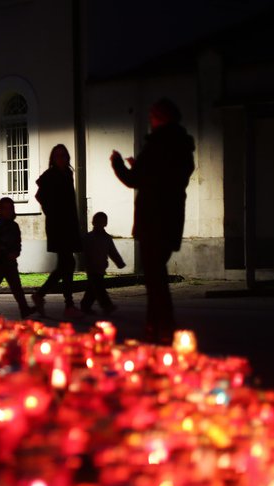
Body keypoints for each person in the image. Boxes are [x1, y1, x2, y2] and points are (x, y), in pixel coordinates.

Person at [110, 97, 195, 344]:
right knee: (156, 276)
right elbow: (165, 177)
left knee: (155, 278)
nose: (150, 118)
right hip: (171, 218)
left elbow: (135, 180)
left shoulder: (159, 143)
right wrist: (142, 170)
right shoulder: (181, 145)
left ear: (162, 117)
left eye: (153, 114)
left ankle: (165, 325)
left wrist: (117, 164)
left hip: (153, 219)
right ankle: (154, 325)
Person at [32, 144, 84, 319]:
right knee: (67, 263)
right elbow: (39, 196)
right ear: (53, 159)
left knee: (66, 264)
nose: (61, 158)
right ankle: (66, 304)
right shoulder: (50, 175)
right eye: (58, 156)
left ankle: (44, 295)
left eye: (64, 155)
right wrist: (51, 212)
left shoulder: (67, 174)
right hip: (58, 225)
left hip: (68, 224)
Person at [0, 198, 36, 318]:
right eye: (5, 208)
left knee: (16, 286)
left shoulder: (13, 226)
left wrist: (16, 252)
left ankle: (23, 308)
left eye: (10, 208)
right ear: (0, 210)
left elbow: (18, 242)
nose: (8, 211)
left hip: (10, 261)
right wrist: (7, 253)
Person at [80, 211, 126, 315]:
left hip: (101, 266)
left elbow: (112, 252)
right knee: (99, 287)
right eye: (98, 222)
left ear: (105, 224)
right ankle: (107, 305)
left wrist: (119, 262)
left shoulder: (106, 238)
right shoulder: (88, 237)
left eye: (102, 222)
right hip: (91, 266)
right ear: (93, 223)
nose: (100, 224)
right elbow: (83, 251)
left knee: (93, 288)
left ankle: (85, 305)